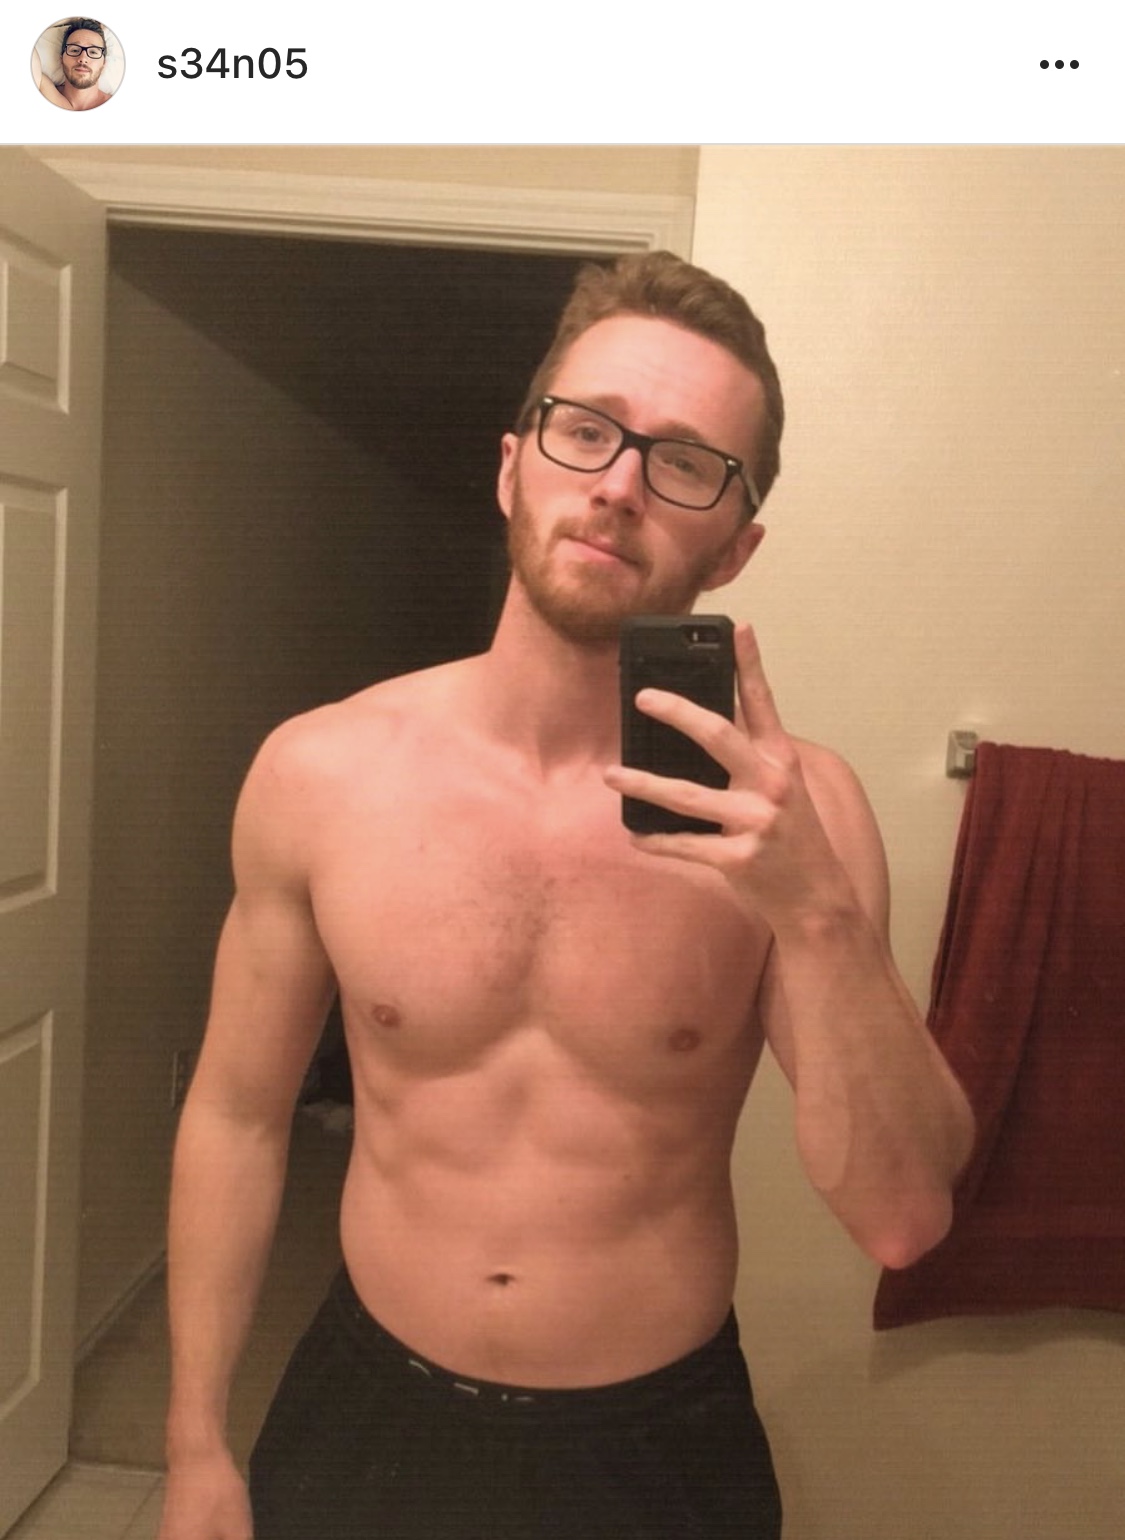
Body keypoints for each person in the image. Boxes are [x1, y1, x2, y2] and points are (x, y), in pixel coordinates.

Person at [157, 251, 975, 1540]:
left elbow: (904, 1216)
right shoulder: (320, 772)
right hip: (368, 1405)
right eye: (588, 430)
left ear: (737, 546)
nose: (619, 485)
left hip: (653, 1448)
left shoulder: (796, 817)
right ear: (512, 466)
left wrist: (815, 913)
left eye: (686, 462)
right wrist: (195, 1439)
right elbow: (238, 1115)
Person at [34, 18, 113, 112]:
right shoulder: (42, 89)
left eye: (93, 52)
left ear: (103, 64)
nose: (83, 59)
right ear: (61, 59)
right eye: (75, 50)